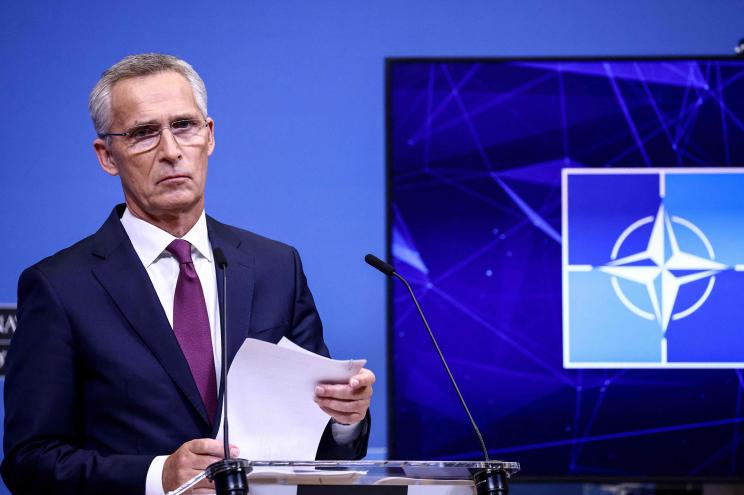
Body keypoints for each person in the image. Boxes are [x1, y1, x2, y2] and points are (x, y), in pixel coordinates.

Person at [1, 53, 374, 495]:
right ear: (107, 155)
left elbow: (327, 452)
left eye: (184, 126)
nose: (171, 151)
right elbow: (30, 461)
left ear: (209, 136)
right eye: (143, 133)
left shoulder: (277, 267)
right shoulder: (60, 287)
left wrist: (344, 419)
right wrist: (159, 476)